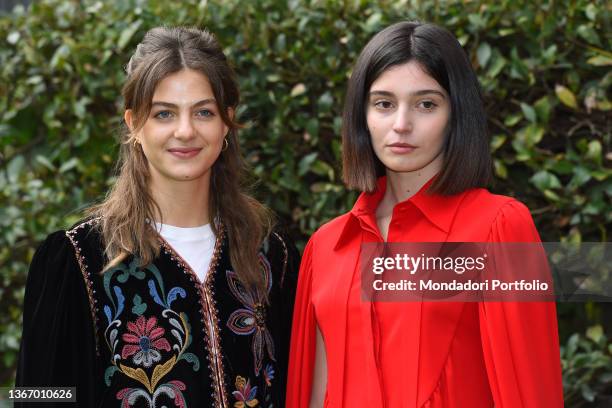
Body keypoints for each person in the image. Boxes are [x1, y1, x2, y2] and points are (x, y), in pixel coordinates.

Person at [16, 26, 298, 407]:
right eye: (164, 113)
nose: (185, 131)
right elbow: (40, 398)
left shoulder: (271, 255)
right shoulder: (77, 260)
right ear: (134, 123)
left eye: (204, 112)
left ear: (226, 122)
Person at [287, 21, 563, 407]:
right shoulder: (326, 248)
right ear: (361, 116)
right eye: (383, 103)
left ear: (456, 114)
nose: (401, 124)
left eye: (426, 104)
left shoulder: (498, 226)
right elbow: (315, 395)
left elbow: (529, 392)